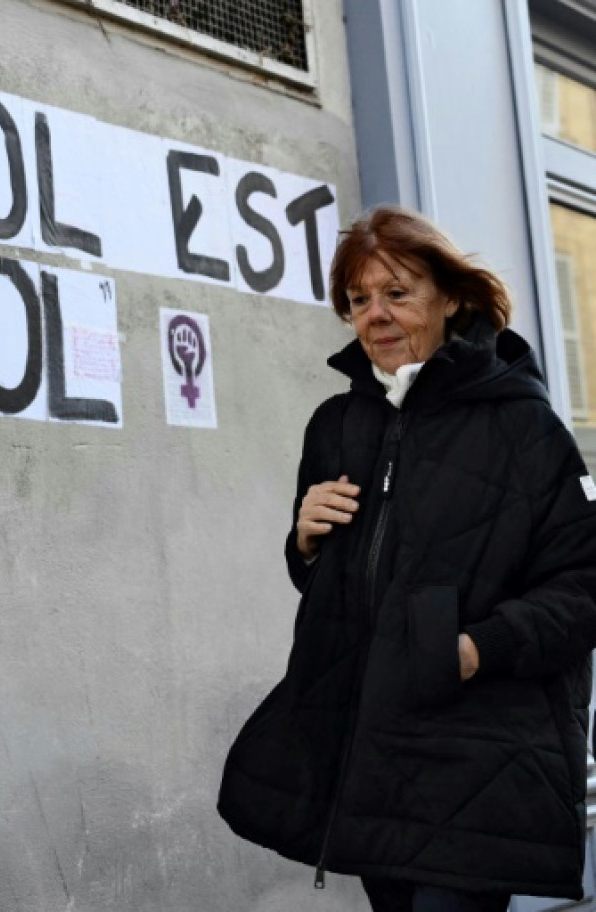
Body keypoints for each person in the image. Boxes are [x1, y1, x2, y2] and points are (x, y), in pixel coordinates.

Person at [218, 205, 596, 911]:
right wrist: (303, 540)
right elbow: (339, 579)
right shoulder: (336, 425)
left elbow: (584, 588)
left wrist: (473, 650)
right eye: (360, 300)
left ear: (451, 297)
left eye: (398, 292)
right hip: (374, 754)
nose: (376, 315)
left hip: (480, 751)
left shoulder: (526, 429)